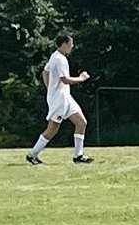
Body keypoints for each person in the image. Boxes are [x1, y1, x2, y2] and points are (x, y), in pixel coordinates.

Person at [26, 32, 93, 165]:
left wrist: (50, 88)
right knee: (53, 129)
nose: (72, 46)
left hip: (65, 97)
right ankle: (32, 154)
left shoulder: (55, 57)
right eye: (71, 44)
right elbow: (65, 79)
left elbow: (45, 72)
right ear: (64, 44)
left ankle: (78, 156)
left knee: (81, 123)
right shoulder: (59, 59)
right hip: (59, 99)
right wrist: (81, 78)